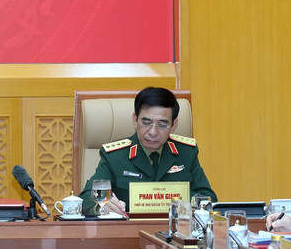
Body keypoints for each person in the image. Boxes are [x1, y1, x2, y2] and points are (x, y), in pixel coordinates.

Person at [79, 87, 217, 216]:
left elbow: (208, 198)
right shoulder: (115, 156)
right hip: (129, 234)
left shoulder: (186, 153)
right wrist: (101, 206)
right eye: (146, 122)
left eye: (162, 125)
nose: (152, 132)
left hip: (176, 234)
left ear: (173, 125)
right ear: (135, 120)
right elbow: (86, 198)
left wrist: (178, 198)